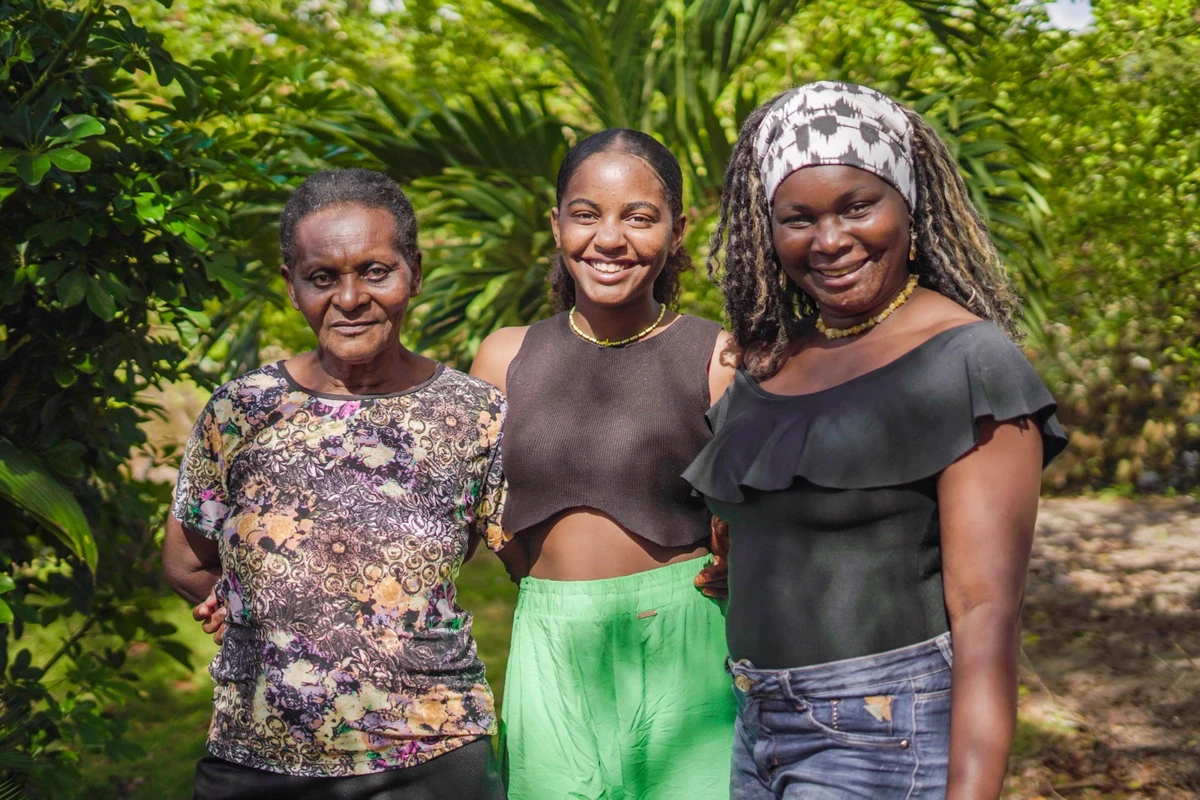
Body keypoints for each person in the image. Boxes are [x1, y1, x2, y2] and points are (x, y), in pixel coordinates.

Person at [682, 82, 1069, 799]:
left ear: (909, 206)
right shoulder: (771, 363)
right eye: (798, 218)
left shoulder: (965, 362)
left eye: (858, 206)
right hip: (753, 721)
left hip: (883, 729)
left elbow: (985, 613)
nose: (830, 241)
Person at [162, 168, 508, 799]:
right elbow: (187, 559)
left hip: (431, 754)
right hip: (256, 753)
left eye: (376, 271)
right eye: (323, 277)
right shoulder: (241, 411)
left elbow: (524, 559)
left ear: (415, 273)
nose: (350, 298)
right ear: (292, 286)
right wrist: (249, 604)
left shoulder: (475, 415)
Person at [470, 128, 739, 799]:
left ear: (679, 231)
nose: (610, 239)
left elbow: (757, 518)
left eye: (639, 218)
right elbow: (459, 505)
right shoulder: (505, 358)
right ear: (557, 223)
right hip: (551, 639)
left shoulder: (718, 358)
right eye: (587, 214)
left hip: (688, 640)